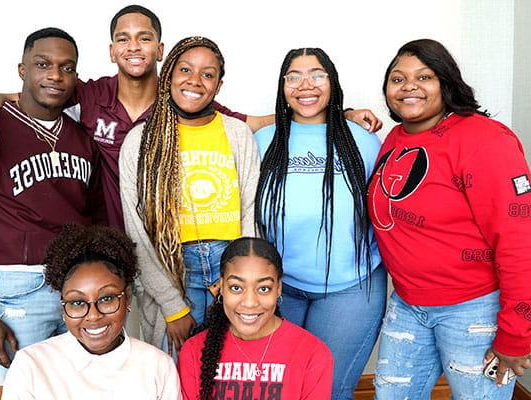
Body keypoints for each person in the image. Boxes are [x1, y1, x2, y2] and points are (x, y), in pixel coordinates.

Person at [0, 5, 382, 231]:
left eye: (145, 38)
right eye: (123, 39)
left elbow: (255, 122)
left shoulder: (186, 99)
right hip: (107, 238)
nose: (134, 47)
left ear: (161, 49)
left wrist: (334, 110)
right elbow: (27, 93)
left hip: (171, 245)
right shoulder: (88, 93)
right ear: (111, 50)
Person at [368, 38, 531, 399]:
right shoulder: (395, 138)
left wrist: (518, 332)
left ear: (446, 82)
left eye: (424, 76)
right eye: (398, 79)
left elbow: (520, 240)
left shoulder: (485, 140)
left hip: (473, 309)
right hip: (408, 302)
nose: (409, 86)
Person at [0, 27, 104, 369]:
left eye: (67, 68)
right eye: (43, 64)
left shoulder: (82, 139)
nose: (55, 75)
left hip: (77, 286)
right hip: (16, 288)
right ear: (22, 70)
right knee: (30, 388)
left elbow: (96, 216)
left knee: (81, 385)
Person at [254, 48, 386, 400]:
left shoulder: (362, 139)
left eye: (317, 74)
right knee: (278, 388)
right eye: (294, 76)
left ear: (333, 82)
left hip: (351, 290)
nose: (305, 84)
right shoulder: (262, 141)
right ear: (282, 87)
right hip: (281, 290)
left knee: (328, 389)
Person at [120, 36, 259, 354]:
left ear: (218, 85)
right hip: (174, 270)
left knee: (230, 365)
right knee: (176, 370)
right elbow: (137, 231)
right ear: (168, 74)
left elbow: (251, 211)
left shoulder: (236, 133)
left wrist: (241, 280)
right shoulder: (139, 141)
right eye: (185, 69)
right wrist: (172, 305)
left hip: (230, 265)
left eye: (207, 74)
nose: (195, 81)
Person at [1, 224, 181, 399]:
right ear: (63, 308)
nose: (93, 316)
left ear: (126, 298)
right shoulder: (31, 365)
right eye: (77, 302)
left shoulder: (157, 365)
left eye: (106, 299)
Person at [178, 237, 333, 400]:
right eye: (236, 288)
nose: (250, 303)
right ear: (221, 286)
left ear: (278, 288)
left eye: (264, 288)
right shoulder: (193, 352)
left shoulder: (313, 354)